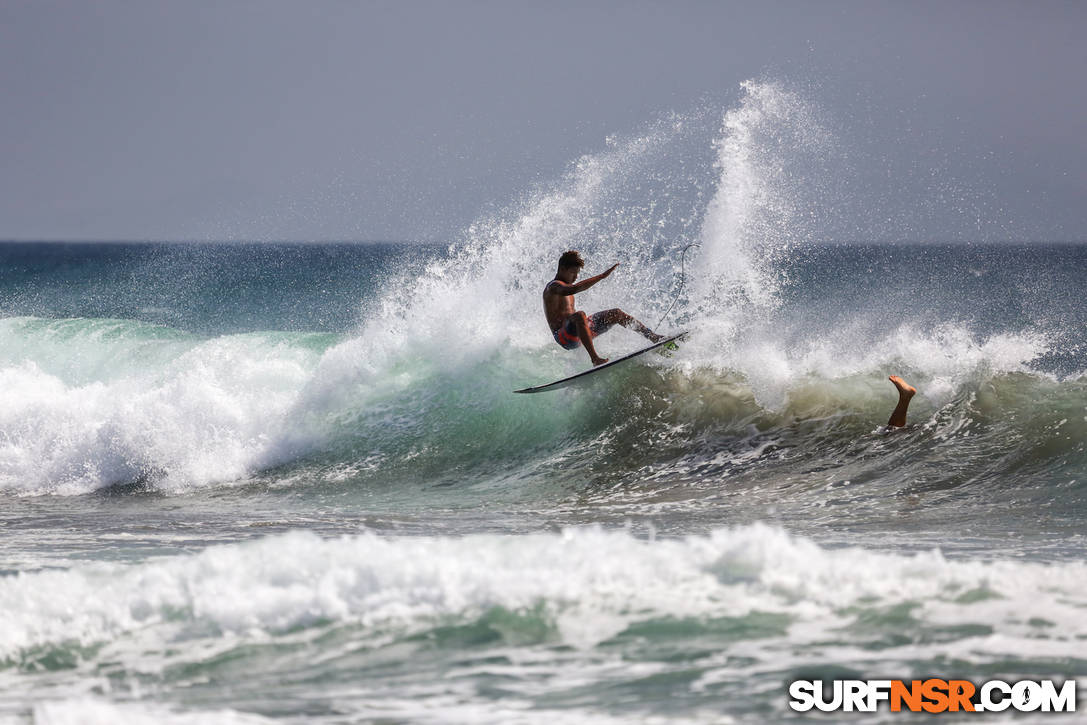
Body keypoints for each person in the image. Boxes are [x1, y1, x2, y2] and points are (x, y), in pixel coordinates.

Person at [543, 250, 664, 366]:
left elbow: (572, 288)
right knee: (580, 315)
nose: (575, 277)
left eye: (577, 273)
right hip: (564, 337)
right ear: (563, 269)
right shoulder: (553, 287)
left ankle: (653, 337)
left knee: (616, 313)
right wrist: (601, 276)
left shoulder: (566, 285)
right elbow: (572, 289)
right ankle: (595, 359)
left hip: (577, 332)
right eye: (573, 273)